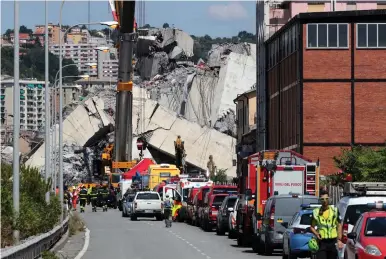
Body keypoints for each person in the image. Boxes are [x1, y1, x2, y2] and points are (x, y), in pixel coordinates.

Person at [310, 190, 343, 259]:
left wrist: (339, 240)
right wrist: (316, 234)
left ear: (329, 199)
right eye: (322, 199)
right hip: (322, 242)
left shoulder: (335, 210)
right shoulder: (315, 212)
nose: (324, 201)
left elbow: (339, 225)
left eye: (326, 199)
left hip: (333, 242)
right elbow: (312, 227)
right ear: (320, 200)